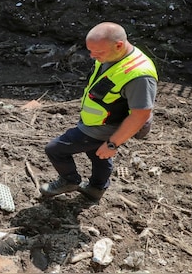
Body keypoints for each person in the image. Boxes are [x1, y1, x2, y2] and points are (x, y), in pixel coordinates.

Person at [39, 22, 158, 202]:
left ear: (119, 45)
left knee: (55, 150)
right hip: (97, 121)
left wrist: (112, 144)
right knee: (97, 155)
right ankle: (96, 188)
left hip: (102, 128)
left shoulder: (139, 76)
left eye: (98, 53)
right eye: (91, 51)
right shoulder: (113, 55)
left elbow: (140, 114)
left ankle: (69, 180)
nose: (92, 56)